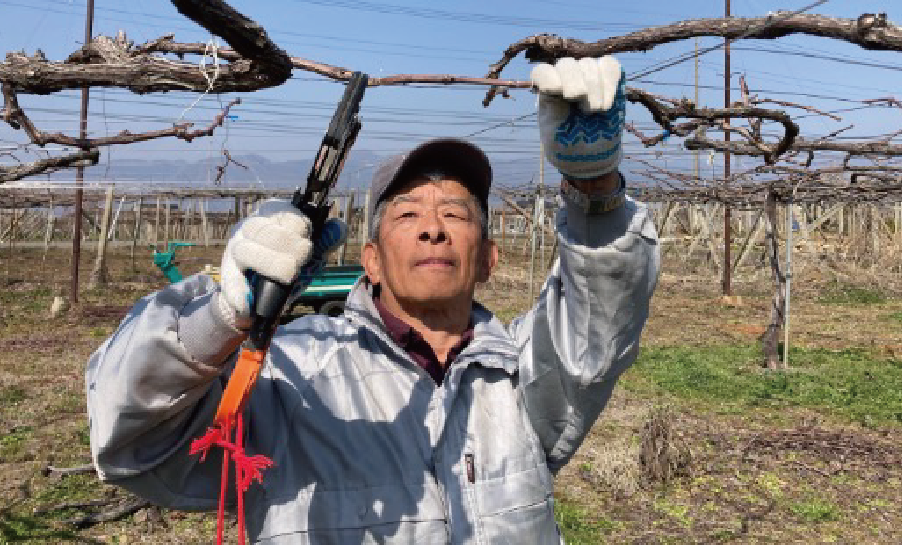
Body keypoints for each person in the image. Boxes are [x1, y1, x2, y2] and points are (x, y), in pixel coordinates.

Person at [86, 55, 660, 544]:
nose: (433, 229)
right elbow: (133, 442)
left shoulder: (515, 376)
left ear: (488, 259)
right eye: (407, 214)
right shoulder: (292, 373)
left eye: (455, 214)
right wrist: (221, 315)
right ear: (370, 261)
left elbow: (596, 326)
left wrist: (596, 191)